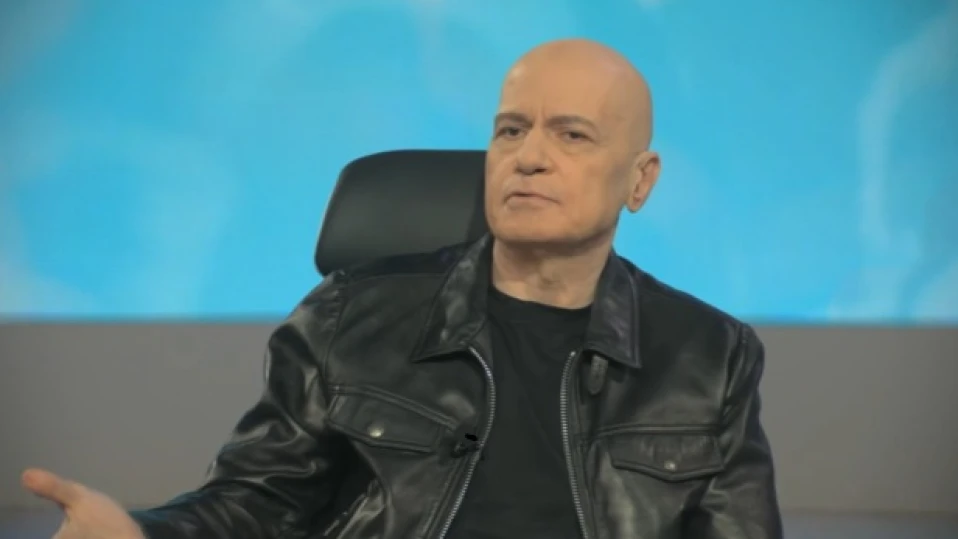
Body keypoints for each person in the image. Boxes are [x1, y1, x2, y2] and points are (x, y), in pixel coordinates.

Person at [21, 38, 783, 539]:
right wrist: (143, 533)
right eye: (510, 129)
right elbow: (254, 504)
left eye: (571, 134)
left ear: (640, 181)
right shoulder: (349, 316)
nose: (529, 156)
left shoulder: (708, 355)